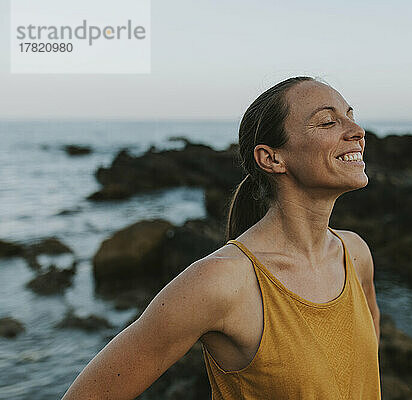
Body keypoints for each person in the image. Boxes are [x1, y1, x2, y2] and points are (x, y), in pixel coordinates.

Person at [61, 76, 381, 399]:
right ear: (271, 158)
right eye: (327, 122)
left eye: (350, 116)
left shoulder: (355, 254)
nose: (357, 131)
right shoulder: (221, 282)